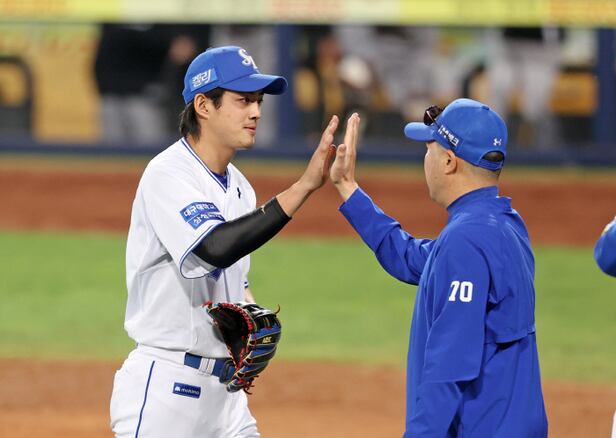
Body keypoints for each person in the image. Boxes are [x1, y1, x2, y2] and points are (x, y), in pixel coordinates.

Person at [109, 45, 339, 437]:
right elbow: (213, 247)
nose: (256, 112)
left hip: (227, 397)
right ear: (204, 105)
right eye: (243, 100)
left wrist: (251, 311)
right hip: (168, 389)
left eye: (258, 101)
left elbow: (234, 277)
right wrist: (302, 188)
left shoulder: (241, 189)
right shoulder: (169, 173)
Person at [330, 99, 548, 436]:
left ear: (448, 161)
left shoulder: (465, 240)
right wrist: (348, 188)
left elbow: (449, 368)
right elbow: (413, 258)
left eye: (429, 147)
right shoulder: (505, 225)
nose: (425, 157)